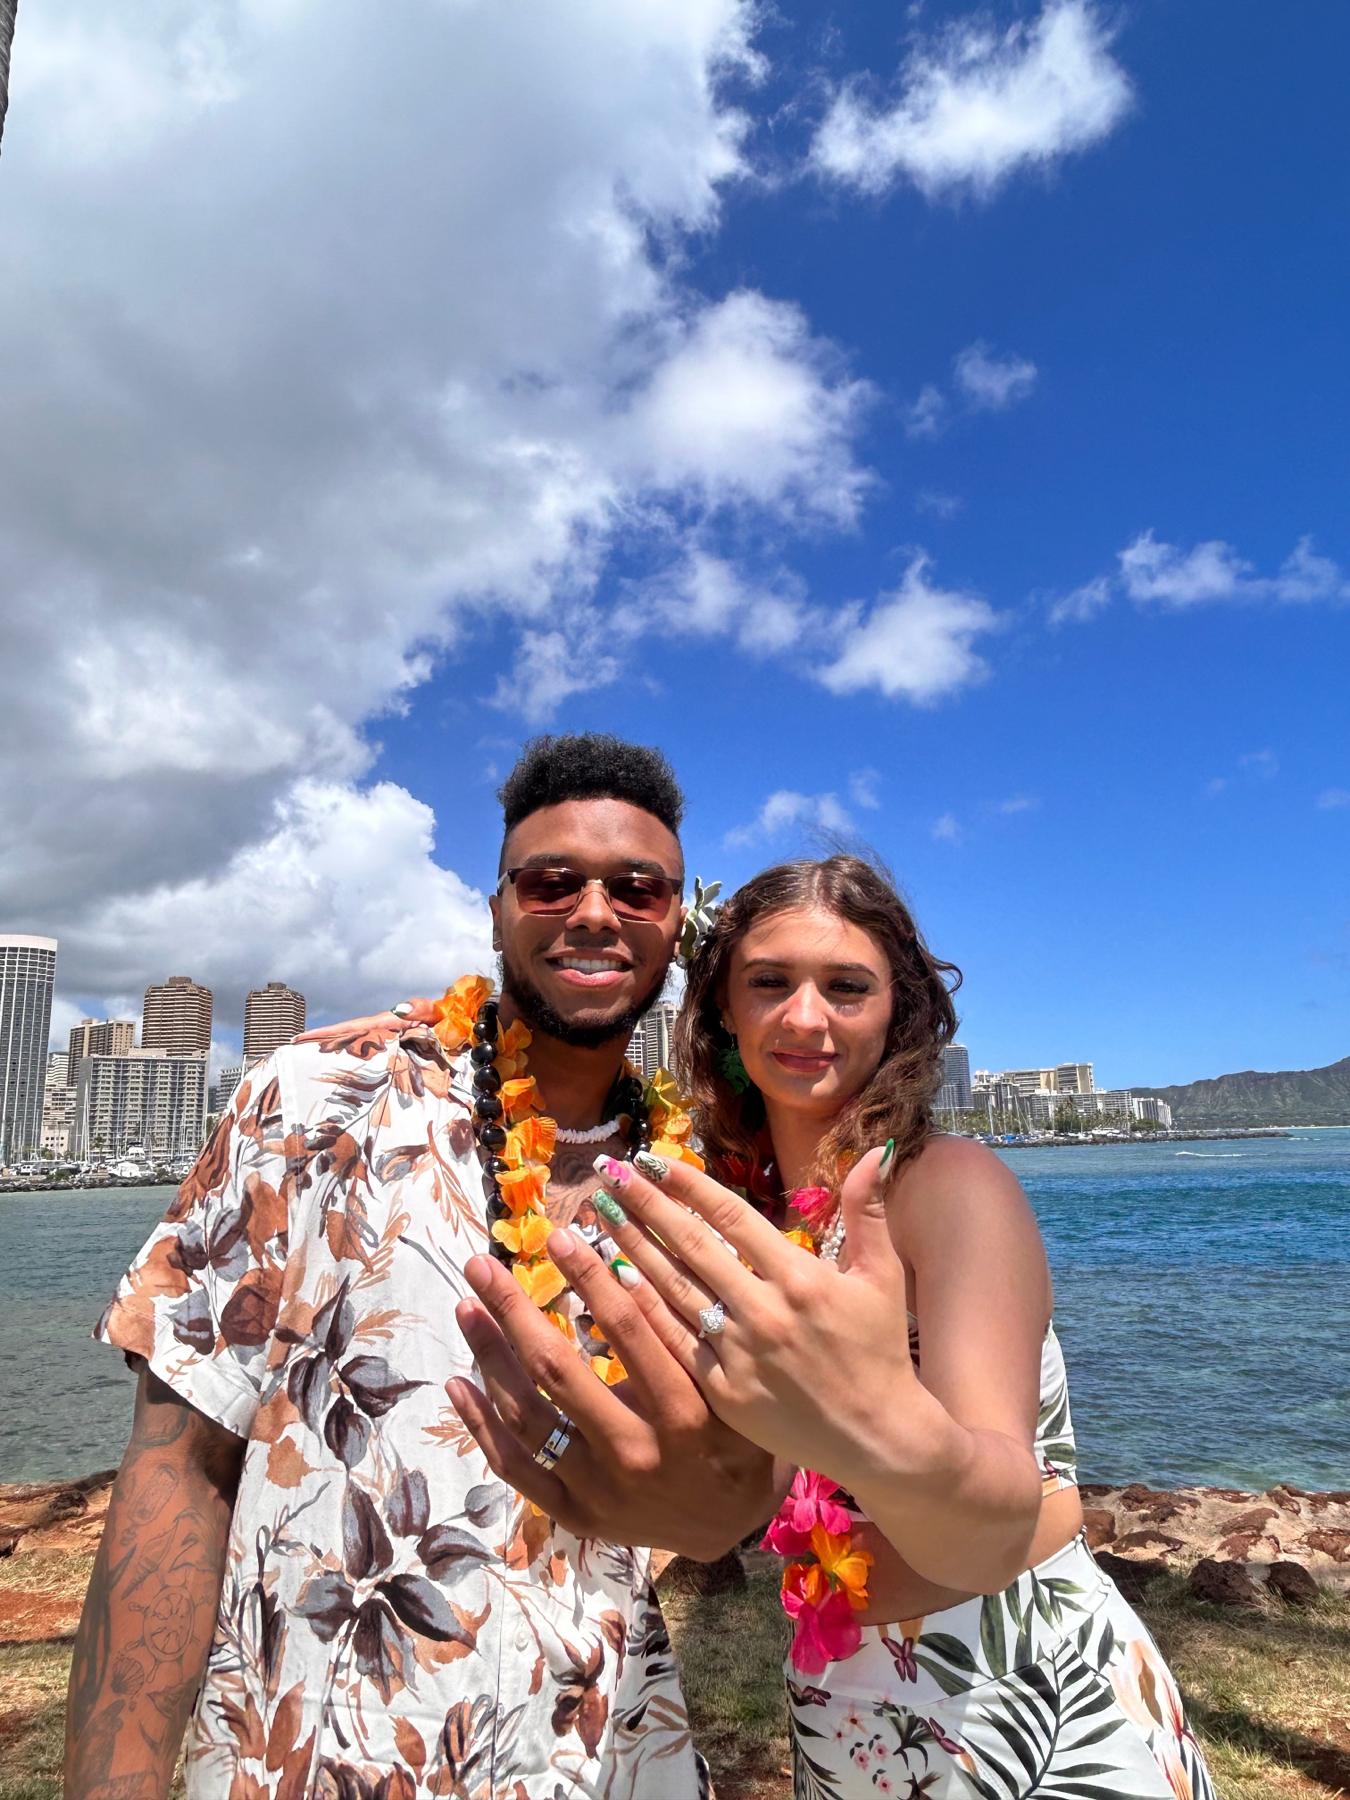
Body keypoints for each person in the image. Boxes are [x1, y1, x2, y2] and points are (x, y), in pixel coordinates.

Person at [65, 733, 775, 1800]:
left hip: (604, 1756)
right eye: (552, 881)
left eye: (637, 889)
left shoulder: (701, 1181)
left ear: (676, 926)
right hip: (312, 1751)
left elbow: (737, 1478)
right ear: (498, 909)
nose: (594, 912)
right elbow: (176, 1462)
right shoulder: (317, 1098)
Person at [458, 855, 1217, 1800]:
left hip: (1025, 1696)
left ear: (896, 1013)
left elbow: (994, 1511)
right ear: (723, 1010)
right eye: (770, 983)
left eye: (846, 987)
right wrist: (421, 1035)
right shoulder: (745, 1221)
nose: (805, 1018)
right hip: (842, 1711)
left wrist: (873, 1421)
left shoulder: (942, 1187)